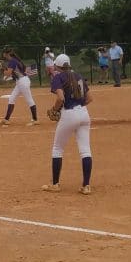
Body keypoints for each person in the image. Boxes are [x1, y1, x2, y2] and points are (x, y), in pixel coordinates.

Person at [43, 54, 94, 195]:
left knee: (57, 149)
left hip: (69, 114)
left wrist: (55, 109)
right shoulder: (78, 75)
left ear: (58, 66)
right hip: (84, 113)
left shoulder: (58, 77)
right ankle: (86, 186)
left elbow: (60, 98)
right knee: (85, 150)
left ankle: (55, 184)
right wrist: (79, 107)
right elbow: (89, 98)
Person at [0, 48, 39, 127]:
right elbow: (14, 73)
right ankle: (6, 119)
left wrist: (1, 69)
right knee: (12, 98)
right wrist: (5, 73)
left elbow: (8, 73)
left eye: (3, 53)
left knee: (29, 100)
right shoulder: (14, 60)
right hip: (20, 82)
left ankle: (35, 120)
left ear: (7, 54)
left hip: (23, 82)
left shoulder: (12, 61)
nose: (3, 55)